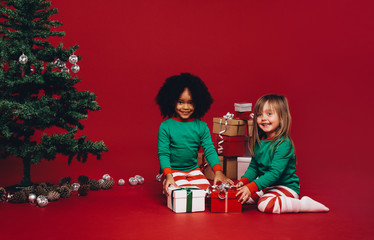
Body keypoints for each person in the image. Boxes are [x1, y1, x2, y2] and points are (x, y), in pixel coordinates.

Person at [236, 94, 329, 213]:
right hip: (267, 187)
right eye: (259, 114)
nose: (263, 118)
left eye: (269, 114)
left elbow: (274, 174)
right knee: (240, 197)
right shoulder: (258, 141)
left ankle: (302, 204)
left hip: (286, 187)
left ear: (281, 117)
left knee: (264, 205)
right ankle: (263, 194)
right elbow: (254, 167)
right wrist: (244, 181)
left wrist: (252, 187)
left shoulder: (283, 144)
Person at [156, 73, 233, 196]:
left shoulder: (201, 126)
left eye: (190, 102)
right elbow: (163, 153)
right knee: (182, 193)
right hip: (173, 170)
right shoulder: (166, 126)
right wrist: (168, 175)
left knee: (204, 193)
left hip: (193, 169)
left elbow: (209, 150)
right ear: (171, 102)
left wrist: (218, 172)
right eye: (180, 102)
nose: (185, 107)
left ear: (198, 103)